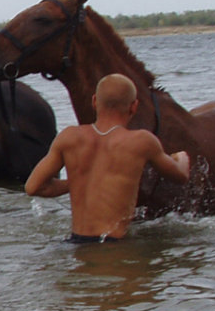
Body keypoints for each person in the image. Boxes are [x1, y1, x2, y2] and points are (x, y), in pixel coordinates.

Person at [25, 73, 190, 242]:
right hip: (112, 245)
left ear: (95, 101)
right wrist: (182, 156)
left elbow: (33, 187)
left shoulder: (69, 137)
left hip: (74, 242)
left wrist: (78, 181)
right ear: (134, 107)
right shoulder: (142, 141)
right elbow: (181, 176)